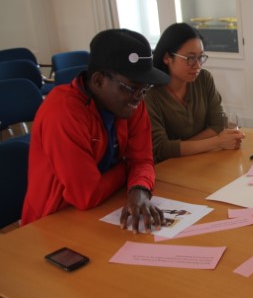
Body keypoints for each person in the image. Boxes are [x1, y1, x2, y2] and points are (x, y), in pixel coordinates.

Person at [22, 29, 169, 233]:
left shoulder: (130, 103)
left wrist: (140, 189)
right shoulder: (62, 113)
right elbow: (86, 195)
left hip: (106, 206)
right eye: (131, 87)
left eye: (144, 88)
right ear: (98, 80)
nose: (139, 97)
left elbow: (143, 161)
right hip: (54, 221)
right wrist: (128, 168)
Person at [145, 23, 244, 163]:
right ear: (167, 57)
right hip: (170, 168)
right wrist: (217, 142)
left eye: (201, 57)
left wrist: (182, 147)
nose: (197, 65)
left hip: (200, 158)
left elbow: (217, 124)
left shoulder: (204, 79)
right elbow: (161, 148)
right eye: (190, 58)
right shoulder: (150, 95)